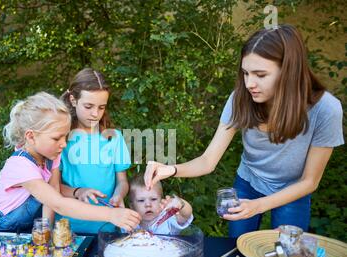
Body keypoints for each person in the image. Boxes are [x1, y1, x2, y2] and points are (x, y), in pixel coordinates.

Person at [144, 24, 344, 238]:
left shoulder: (326, 109)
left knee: (287, 256)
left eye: (260, 74)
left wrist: (259, 205)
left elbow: (310, 181)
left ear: (289, 71)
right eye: (246, 73)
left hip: (293, 190)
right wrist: (171, 169)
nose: (249, 83)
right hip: (248, 181)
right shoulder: (240, 98)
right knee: (238, 248)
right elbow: (207, 161)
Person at [0, 91, 140, 233]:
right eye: (56, 138)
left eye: (65, 137)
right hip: (5, 232)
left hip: (31, 229)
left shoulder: (52, 157)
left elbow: (53, 193)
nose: (64, 144)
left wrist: (47, 232)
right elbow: (58, 203)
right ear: (31, 136)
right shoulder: (20, 166)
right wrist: (111, 214)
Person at [58, 68, 132, 233]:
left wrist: (119, 195)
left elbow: (122, 181)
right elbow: (53, 188)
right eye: (88, 106)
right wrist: (78, 192)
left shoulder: (114, 137)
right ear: (73, 100)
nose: (95, 114)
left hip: (106, 227)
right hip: (70, 228)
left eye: (101, 107)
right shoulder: (61, 139)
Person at [129, 175, 193, 235]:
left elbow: (186, 215)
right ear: (132, 206)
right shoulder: (129, 223)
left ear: (161, 201)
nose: (148, 204)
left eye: (153, 199)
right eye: (141, 200)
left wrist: (180, 203)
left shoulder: (167, 218)